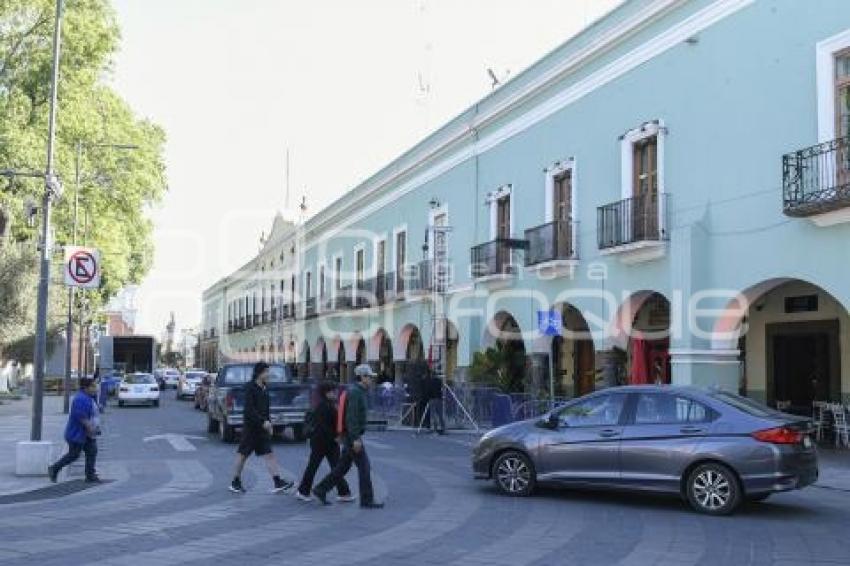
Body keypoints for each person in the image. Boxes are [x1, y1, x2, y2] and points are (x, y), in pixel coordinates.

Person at [312, 364, 383, 509]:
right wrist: (355, 438)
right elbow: (351, 417)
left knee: (342, 467)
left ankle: (321, 489)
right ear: (362, 377)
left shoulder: (357, 391)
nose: (371, 380)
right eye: (369, 377)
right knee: (364, 467)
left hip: (349, 435)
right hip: (352, 436)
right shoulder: (356, 393)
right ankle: (367, 499)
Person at [229, 362, 294, 494]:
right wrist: (262, 422)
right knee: (243, 455)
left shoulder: (265, 387)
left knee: (269, 454)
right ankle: (235, 481)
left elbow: (266, 409)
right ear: (260, 373)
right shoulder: (250, 388)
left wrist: (269, 423)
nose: (268, 374)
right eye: (266, 372)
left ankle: (277, 481)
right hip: (251, 428)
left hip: (262, 428)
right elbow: (249, 410)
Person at [295, 381, 353, 502]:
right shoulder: (324, 406)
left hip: (327, 442)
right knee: (316, 467)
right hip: (322, 442)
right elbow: (324, 427)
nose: (336, 393)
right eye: (333, 391)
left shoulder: (329, 405)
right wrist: (336, 437)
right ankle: (303, 491)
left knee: (335, 467)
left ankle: (343, 492)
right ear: (326, 393)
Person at [48, 377, 101, 483]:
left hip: (85, 434)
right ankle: (54, 468)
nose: (96, 388)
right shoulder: (81, 399)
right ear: (86, 388)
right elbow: (82, 418)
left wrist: (94, 428)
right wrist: (91, 429)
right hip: (78, 434)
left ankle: (90, 475)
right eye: (93, 386)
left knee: (92, 451)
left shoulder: (87, 397)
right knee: (74, 455)